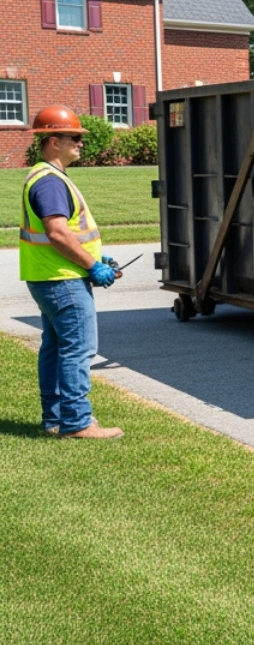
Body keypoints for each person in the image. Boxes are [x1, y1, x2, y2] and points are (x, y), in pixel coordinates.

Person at [20, 107, 123, 439]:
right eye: (75, 138)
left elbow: (65, 234)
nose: (81, 143)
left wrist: (95, 256)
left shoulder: (42, 175)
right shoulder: (49, 181)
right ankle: (77, 422)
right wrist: (93, 266)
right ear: (54, 141)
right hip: (62, 279)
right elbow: (57, 233)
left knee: (55, 347)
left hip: (49, 276)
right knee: (78, 348)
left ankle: (54, 418)